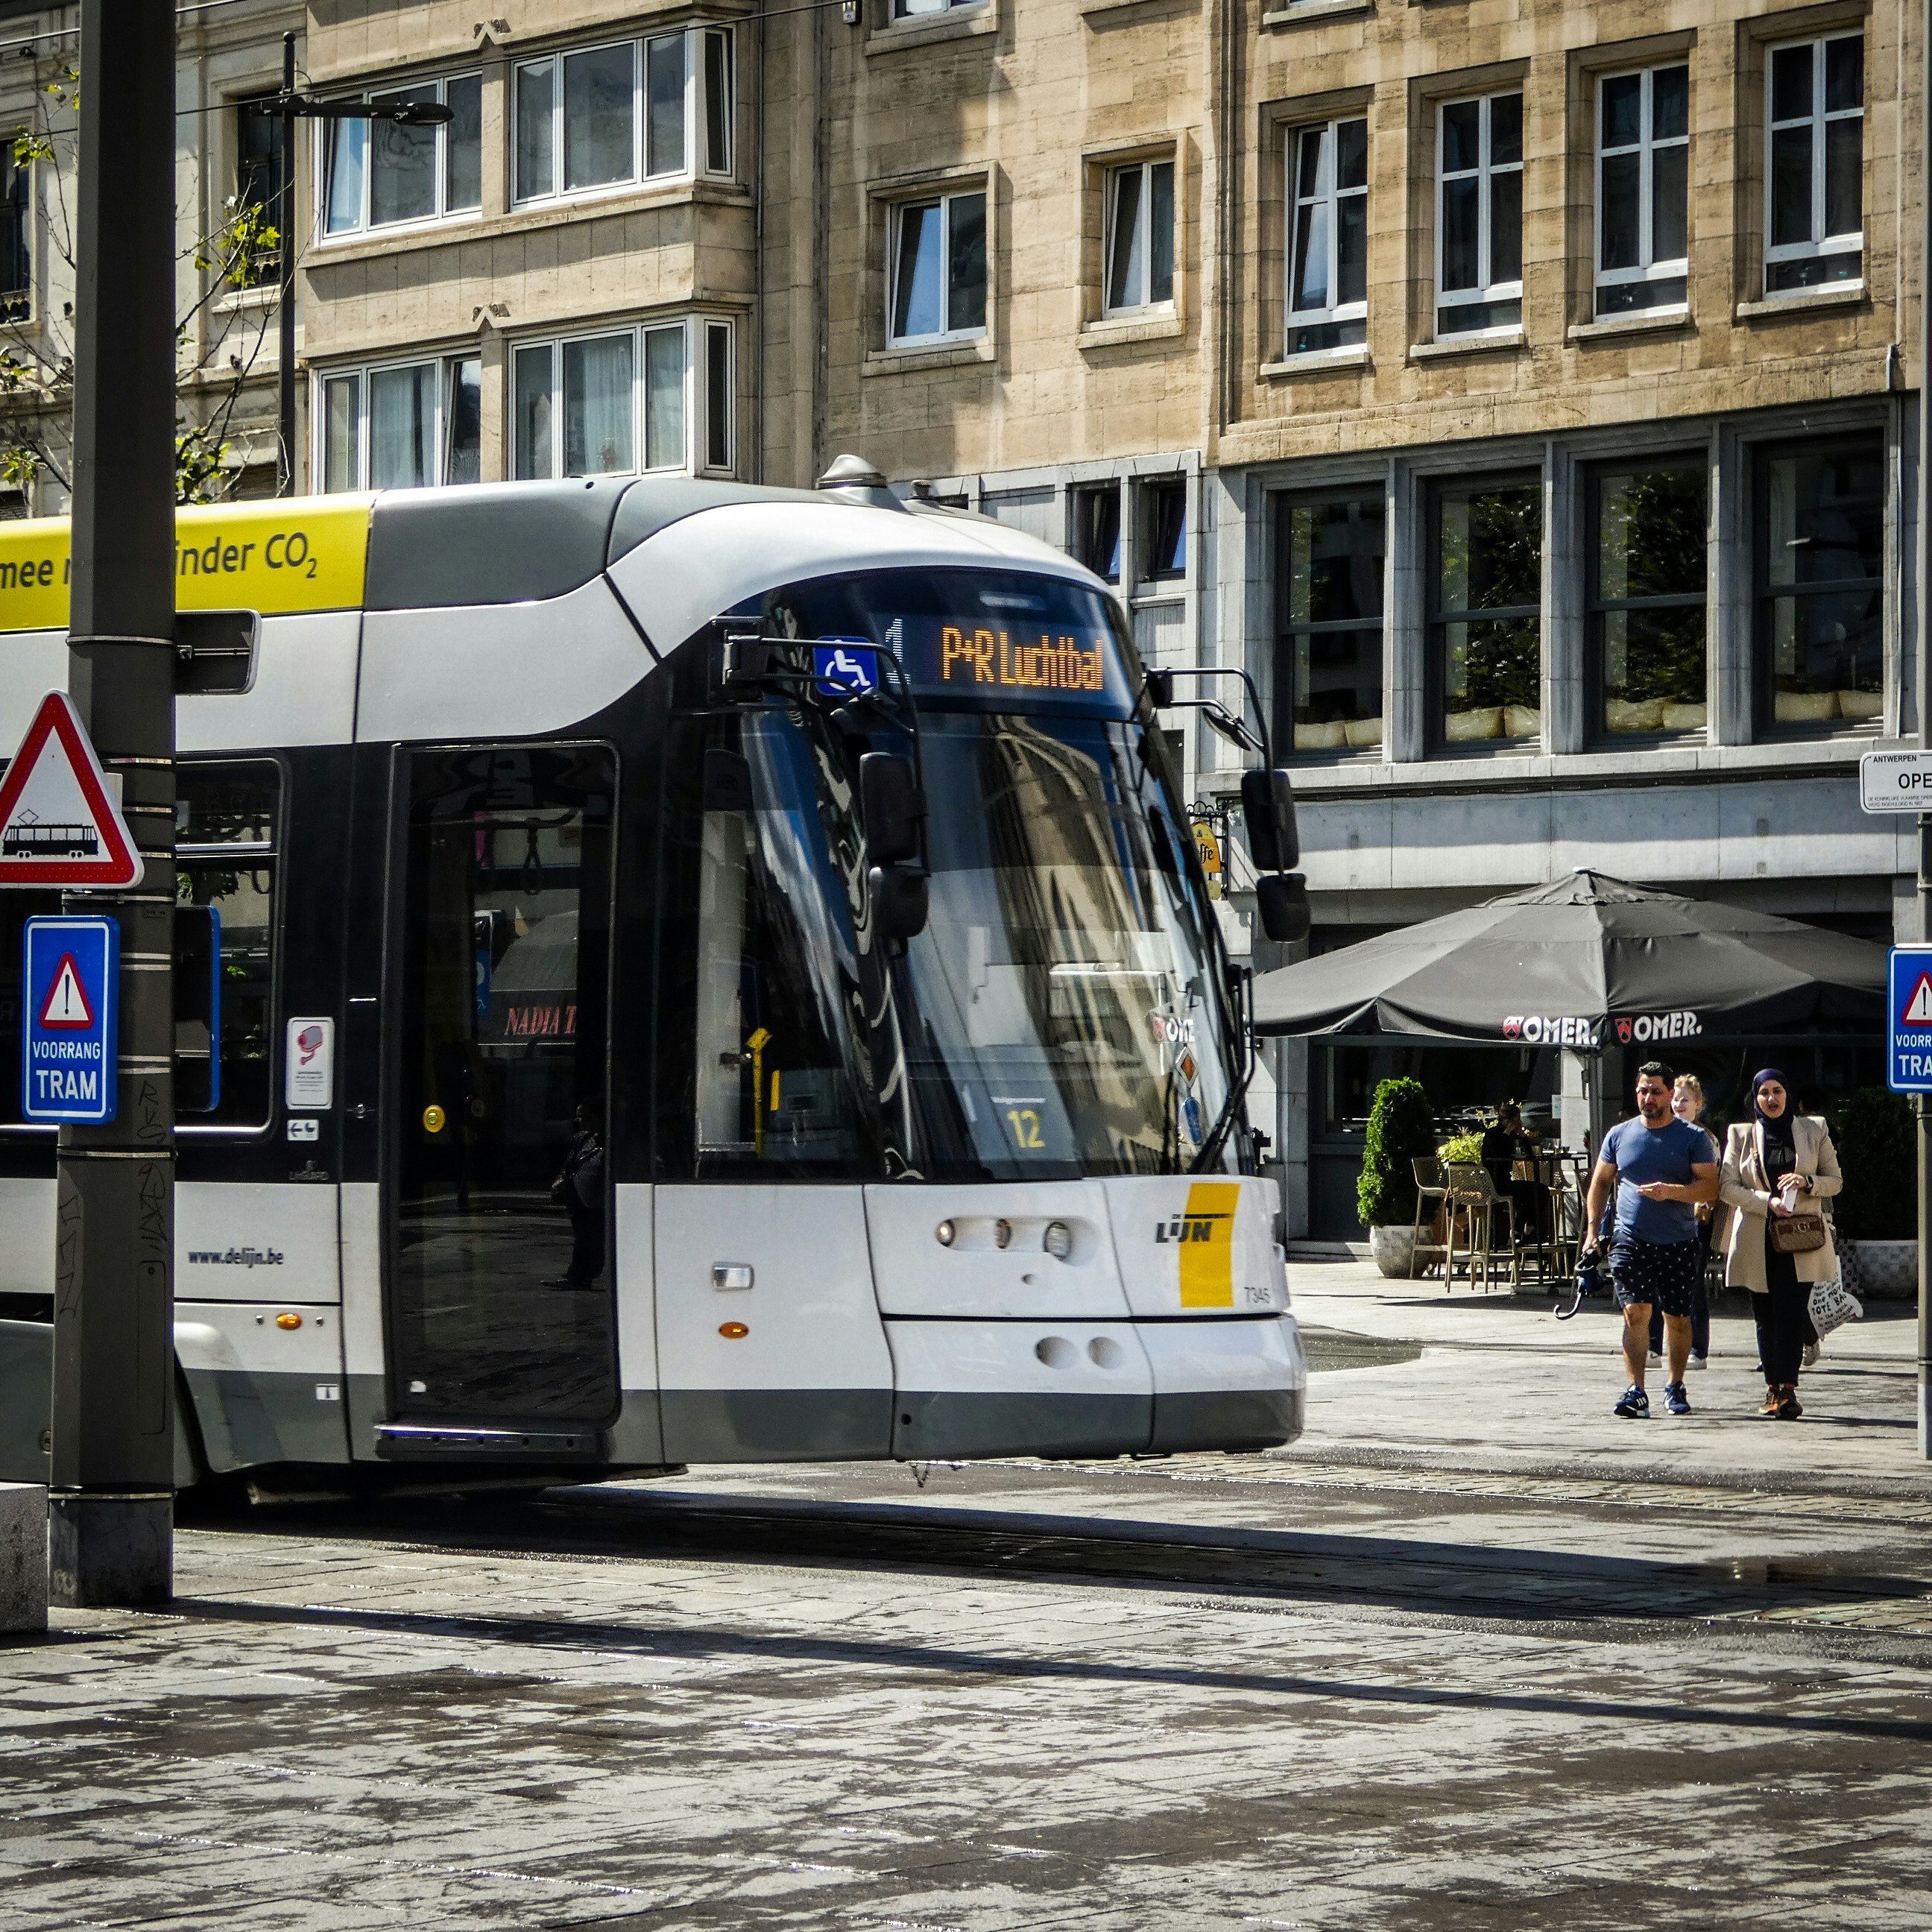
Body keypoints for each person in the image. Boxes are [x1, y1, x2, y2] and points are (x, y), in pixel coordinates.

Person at [1582, 1061, 1719, 1419]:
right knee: (1635, 1312)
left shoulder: (1693, 1138)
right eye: (1643, 1090)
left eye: (1656, 1091)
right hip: (1630, 1239)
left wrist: (1670, 1191)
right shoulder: (1619, 1135)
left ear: (1670, 1093)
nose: (1648, 1098)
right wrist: (1592, 1231)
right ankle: (1636, 1390)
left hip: (1679, 1240)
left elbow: (1710, 1188)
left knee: (1677, 1318)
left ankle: (1675, 1385)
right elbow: (1600, 1182)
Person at [1720, 1068, 1841, 1421]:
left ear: (1788, 1095)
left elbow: (1835, 1181)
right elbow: (1727, 1187)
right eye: (1764, 1093)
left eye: (1777, 1091)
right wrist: (1766, 1201)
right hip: (1757, 1238)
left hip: (1800, 1237)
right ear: (1755, 1098)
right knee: (1765, 1315)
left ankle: (1787, 1389)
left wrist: (1807, 1182)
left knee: (1790, 1312)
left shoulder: (1814, 1129)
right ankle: (1772, 1386)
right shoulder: (1740, 1134)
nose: (1771, 1099)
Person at [1648, 1074, 1716, 1370]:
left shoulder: (1705, 1138)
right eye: (1675, 1099)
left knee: (1692, 1283)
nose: (1678, 1104)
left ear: (1698, 1104)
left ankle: (1698, 1349)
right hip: (1661, 1218)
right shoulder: (1661, 1133)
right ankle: (1653, 1346)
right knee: (1654, 1282)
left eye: (1684, 1099)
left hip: (1694, 1219)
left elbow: (1712, 1183)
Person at [546, 1099, 606, 1289]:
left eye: (583, 1116)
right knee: (582, 1236)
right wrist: (562, 1179)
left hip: (598, 1199)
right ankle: (579, 1275)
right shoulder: (583, 1139)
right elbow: (570, 1163)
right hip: (579, 1197)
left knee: (592, 1238)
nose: (579, 1120)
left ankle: (582, 1275)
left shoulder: (610, 1142)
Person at [1480, 1102, 1544, 1248]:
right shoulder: (1492, 1134)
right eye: (1517, 1120)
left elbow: (1528, 1154)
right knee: (1532, 1194)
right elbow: (1497, 1154)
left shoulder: (1513, 1136)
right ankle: (1517, 1231)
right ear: (1508, 1121)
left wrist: (1522, 1135)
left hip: (1507, 1181)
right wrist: (1508, 1131)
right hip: (1494, 1183)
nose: (1519, 1122)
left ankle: (1526, 1227)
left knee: (1541, 1190)